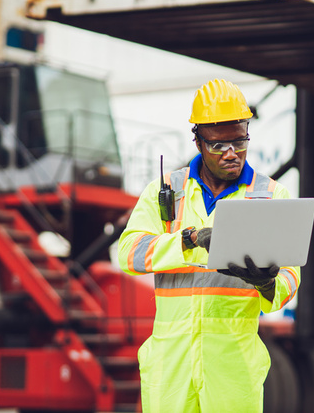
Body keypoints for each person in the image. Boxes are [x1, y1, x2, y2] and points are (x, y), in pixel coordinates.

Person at [118, 79, 300, 412]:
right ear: (199, 141)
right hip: (171, 364)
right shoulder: (167, 191)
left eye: (239, 141)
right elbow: (129, 254)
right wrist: (188, 240)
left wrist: (268, 283)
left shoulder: (271, 195)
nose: (232, 153)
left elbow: (290, 277)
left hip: (233, 366)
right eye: (219, 145)